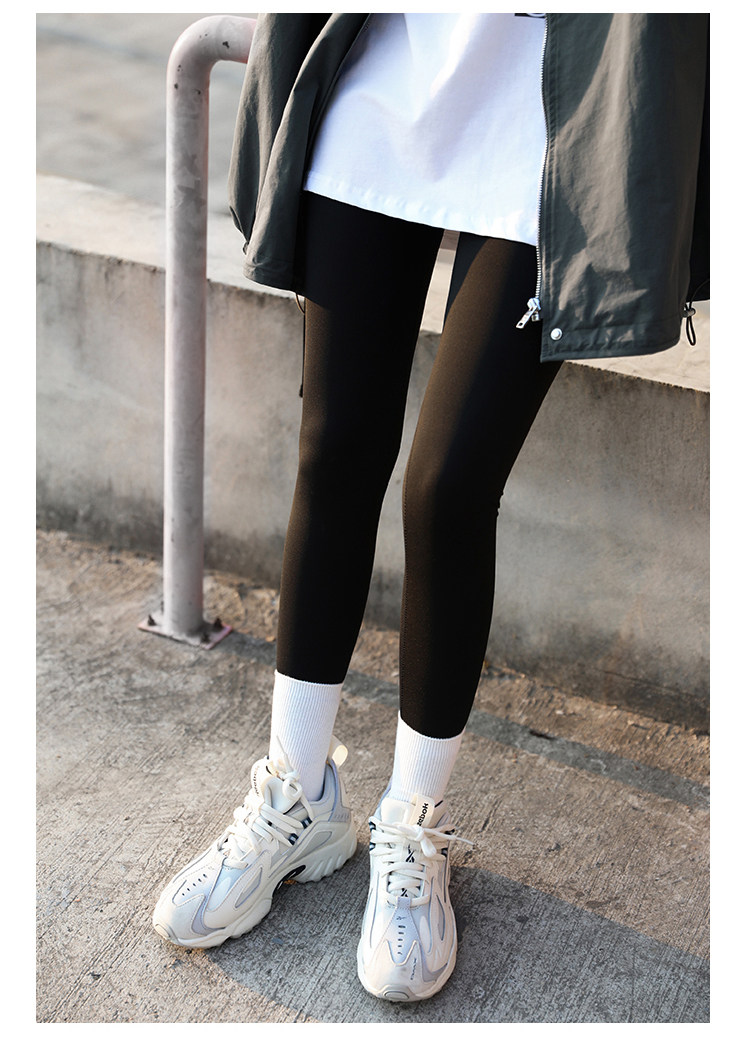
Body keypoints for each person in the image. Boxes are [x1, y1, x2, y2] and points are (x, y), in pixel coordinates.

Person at [153, 13, 709, 1003]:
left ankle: (413, 823)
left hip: (559, 117)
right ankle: (298, 795)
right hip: (387, 74)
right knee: (335, 449)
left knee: (448, 487)